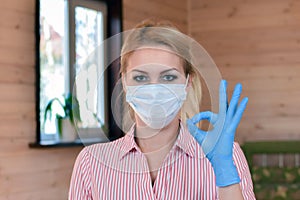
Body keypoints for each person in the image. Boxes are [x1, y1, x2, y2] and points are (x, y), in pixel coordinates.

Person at [69, 19, 256, 200]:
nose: (154, 90)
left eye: (168, 78)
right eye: (140, 78)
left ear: (187, 83)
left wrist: (225, 174)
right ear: (125, 82)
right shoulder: (91, 163)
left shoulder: (225, 156)